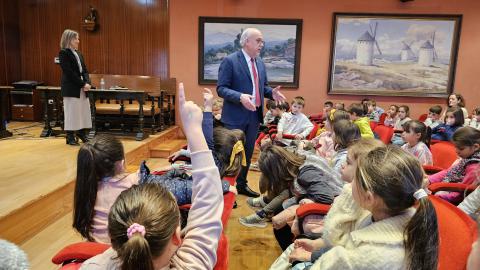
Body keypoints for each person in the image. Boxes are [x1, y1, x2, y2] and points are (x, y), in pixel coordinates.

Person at [81, 83, 224, 269]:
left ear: (115, 241)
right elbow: (208, 201)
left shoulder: (91, 266)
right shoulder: (191, 265)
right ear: (176, 237)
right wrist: (194, 130)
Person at [270, 145, 439, 270]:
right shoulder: (395, 217)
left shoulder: (364, 257)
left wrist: (306, 261)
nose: (350, 186)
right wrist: (317, 248)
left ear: (369, 197)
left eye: (355, 179)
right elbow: (346, 242)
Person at [217, 27, 286, 198]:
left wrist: (271, 93)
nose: (262, 44)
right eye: (258, 41)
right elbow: (221, 89)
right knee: (230, 155)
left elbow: (261, 87)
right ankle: (223, 189)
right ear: (246, 41)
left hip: (253, 116)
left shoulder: (260, 62)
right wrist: (240, 97)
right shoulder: (230, 61)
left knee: (247, 153)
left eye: (262, 41)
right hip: (234, 117)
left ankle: (241, 185)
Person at [239, 145, 343, 228]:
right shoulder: (295, 159)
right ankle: (263, 210)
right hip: (317, 193)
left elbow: (326, 197)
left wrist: (296, 206)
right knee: (282, 202)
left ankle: (262, 213)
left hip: (336, 205)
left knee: (281, 219)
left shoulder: (305, 173)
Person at [429, 127, 480, 204]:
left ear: (475, 147)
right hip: (447, 187)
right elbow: (449, 171)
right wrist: (429, 180)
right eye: (455, 147)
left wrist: (438, 197)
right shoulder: (467, 157)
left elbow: (462, 192)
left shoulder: (474, 167)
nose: (456, 151)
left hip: (454, 199)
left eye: (461, 148)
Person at [59, 29, 92, 145]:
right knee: (72, 112)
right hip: (71, 87)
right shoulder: (63, 53)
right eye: (76, 38)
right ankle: (70, 136)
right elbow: (69, 72)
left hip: (82, 88)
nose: (78, 41)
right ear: (70, 39)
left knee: (83, 111)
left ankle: (82, 133)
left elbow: (85, 71)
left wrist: (88, 83)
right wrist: (82, 84)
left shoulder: (79, 53)